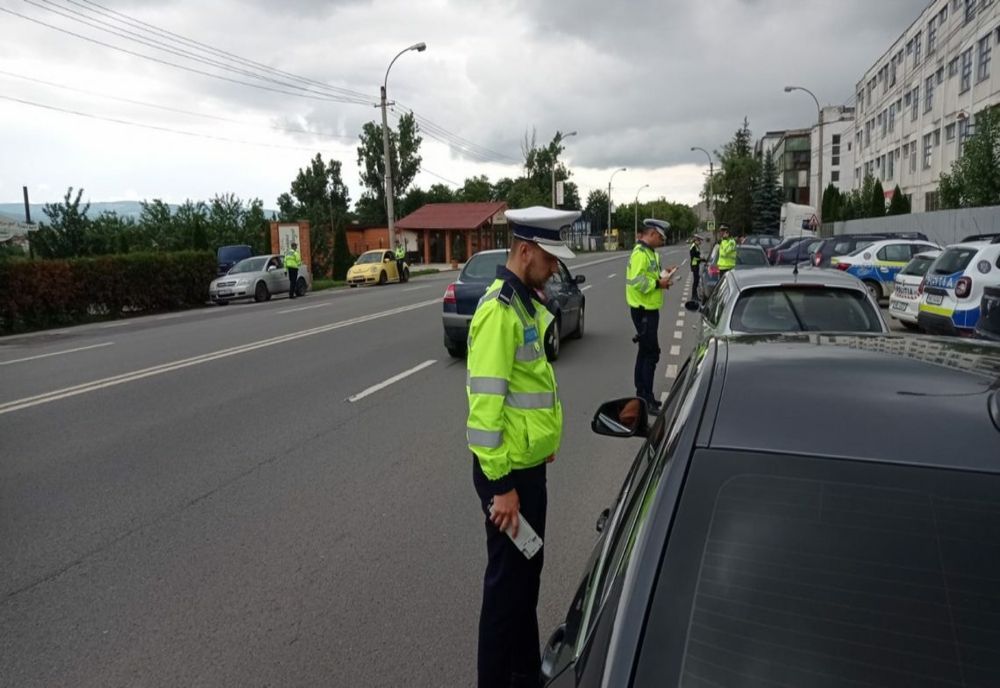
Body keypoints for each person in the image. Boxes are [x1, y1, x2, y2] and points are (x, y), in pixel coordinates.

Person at [466, 206, 577, 688]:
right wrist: (502, 487)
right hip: (506, 476)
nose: (555, 268)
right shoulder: (498, 313)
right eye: (550, 258)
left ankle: (525, 674)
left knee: (525, 581)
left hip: (527, 468)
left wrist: (543, 442)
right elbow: (484, 414)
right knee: (506, 591)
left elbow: (530, 391)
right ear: (526, 250)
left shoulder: (526, 304)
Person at [626, 218, 674, 414]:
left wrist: (664, 275)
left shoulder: (650, 253)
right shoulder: (641, 254)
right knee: (651, 354)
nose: (661, 241)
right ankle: (646, 400)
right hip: (643, 310)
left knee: (645, 353)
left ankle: (642, 395)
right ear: (652, 234)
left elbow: (649, 275)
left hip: (648, 309)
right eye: (660, 238)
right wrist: (658, 284)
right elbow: (637, 281)